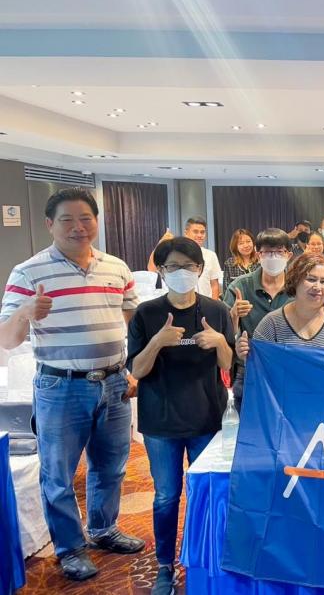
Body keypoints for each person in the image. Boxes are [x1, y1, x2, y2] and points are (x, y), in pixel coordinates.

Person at [0, 188, 143, 581]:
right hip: (60, 387)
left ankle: (104, 528)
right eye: (67, 220)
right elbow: (7, 339)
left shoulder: (117, 267)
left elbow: (131, 323)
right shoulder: (28, 272)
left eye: (86, 219)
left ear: (97, 221)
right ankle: (70, 548)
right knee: (58, 474)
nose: (78, 227)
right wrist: (26, 312)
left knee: (111, 465)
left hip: (114, 382)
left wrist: (130, 367)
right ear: (50, 224)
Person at [127, 237, 234, 595]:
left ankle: (204, 560)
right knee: (166, 496)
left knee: (205, 492)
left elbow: (228, 365)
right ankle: (164, 565)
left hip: (207, 418)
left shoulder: (216, 310)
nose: (182, 272)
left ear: (200, 269)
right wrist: (157, 341)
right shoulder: (146, 313)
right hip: (161, 422)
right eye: (173, 266)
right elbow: (137, 371)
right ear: (160, 270)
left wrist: (220, 342)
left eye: (189, 266)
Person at [237, 253, 324, 355]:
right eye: (311, 279)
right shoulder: (273, 323)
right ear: (295, 281)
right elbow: (258, 363)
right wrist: (244, 352)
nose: (318, 287)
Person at [223, 229, 293, 411]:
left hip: (289, 370)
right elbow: (224, 333)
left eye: (279, 251)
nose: (273, 257)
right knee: (249, 425)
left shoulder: (298, 287)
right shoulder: (240, 286)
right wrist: (234, 315)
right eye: (267, 252)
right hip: (250, 370)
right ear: (258, 254)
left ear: (289, 255)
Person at [148, 217, 223, 299]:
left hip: (204, 303)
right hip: (176, 301)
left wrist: (213, 304)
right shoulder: (174, 253)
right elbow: (151, 268)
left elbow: (214, 285)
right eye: (195, 232)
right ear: (186, 233)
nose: (199, 235)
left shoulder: (211, 255)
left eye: (202, 232)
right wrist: (160, 243)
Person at [223, 228, 260, 292]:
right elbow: (226, 289)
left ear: (253, 243)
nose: (246, 245)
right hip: (236, 297)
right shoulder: (229, 263)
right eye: (241, 243)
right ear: (235, 247)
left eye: (248, 241)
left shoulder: (260, 261)